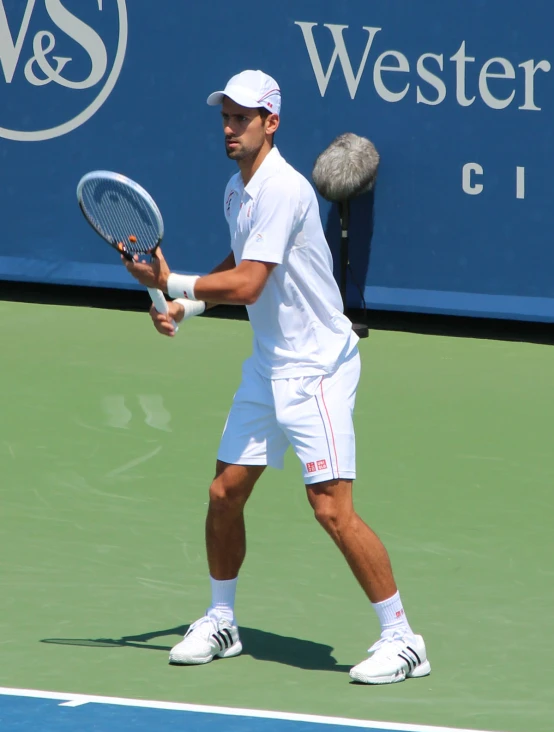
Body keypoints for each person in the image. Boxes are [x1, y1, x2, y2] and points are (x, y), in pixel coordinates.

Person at [123, 69, 430, 685]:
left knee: (331, 510)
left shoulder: (285, 188)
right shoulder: (239, 191)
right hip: (268, 367)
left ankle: (404, 640)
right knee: (223, 495)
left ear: (272, 123)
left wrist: (169, 283)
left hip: (316, 370)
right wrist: (188, 306)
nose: (231, 129)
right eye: (226, 118)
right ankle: (222, 619)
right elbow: (239, 262)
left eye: (243, 118)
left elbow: (251, 283)